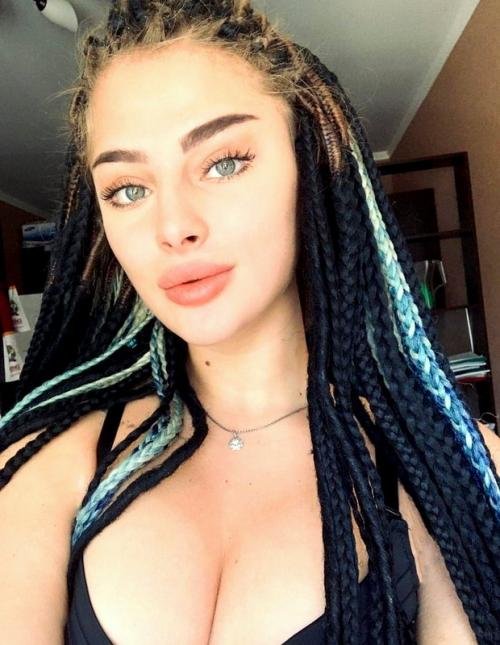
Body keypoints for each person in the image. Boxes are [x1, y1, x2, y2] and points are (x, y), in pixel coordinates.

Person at [1, 1, 499, 643]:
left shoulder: (448, 472)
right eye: (128, 189)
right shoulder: (48, 461)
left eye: (225, 162)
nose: (173, 227)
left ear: (310, 168)